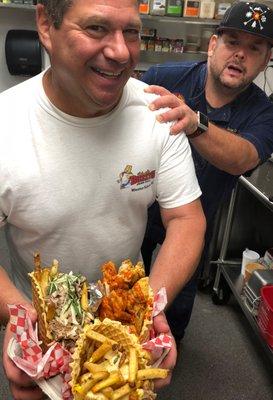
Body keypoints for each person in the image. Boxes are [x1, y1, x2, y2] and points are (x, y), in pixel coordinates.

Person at [0, 0, 206, 399]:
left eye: (131, 31)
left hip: (128, 321)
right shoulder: (5, 126)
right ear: (46, 24)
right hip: (45, 324)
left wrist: (149, 306)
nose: (121, 52)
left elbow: (186, 218)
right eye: (96, 29)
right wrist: (20, 314)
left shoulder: (157, 113)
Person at [141, 1, 273, 344]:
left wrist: (195, 124)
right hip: (138, 210)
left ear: (266, 60)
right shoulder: (163, 79)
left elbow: (243, 157)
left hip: (195, 221)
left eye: (254, 48)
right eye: (232, 42)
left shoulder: (264, 112)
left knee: (175, 307)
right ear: (213, 45)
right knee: (126, 288)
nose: (241, 55)